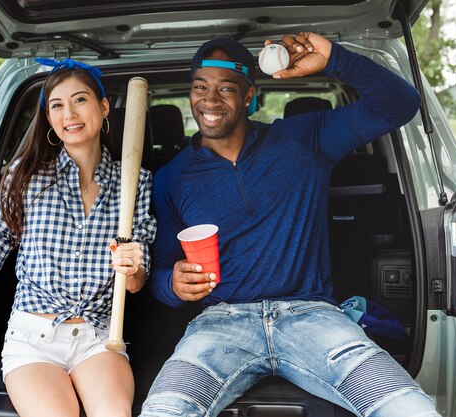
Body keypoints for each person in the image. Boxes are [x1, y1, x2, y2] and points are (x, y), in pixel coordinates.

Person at [141, 33, 440, 417]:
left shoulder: (303, 138)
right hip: (221, 325)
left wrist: (336, 58)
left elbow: (401, 104)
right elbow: (160, 269)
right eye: (200, 87)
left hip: (313, 317)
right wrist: (173, 284)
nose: (209, 101)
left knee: (409, 408)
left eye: (226, 88)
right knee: (164, 410)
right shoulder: (172, 177)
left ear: (249, 96)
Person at [0, 58, 157, 417]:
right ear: (48, 118)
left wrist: (133, 266)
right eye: (56, 105)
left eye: (80, 100)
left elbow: (137, 283)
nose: (69, 114)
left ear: (104, 107)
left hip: (99, 338)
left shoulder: (135, 181)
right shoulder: (26, 176)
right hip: (33, 341)